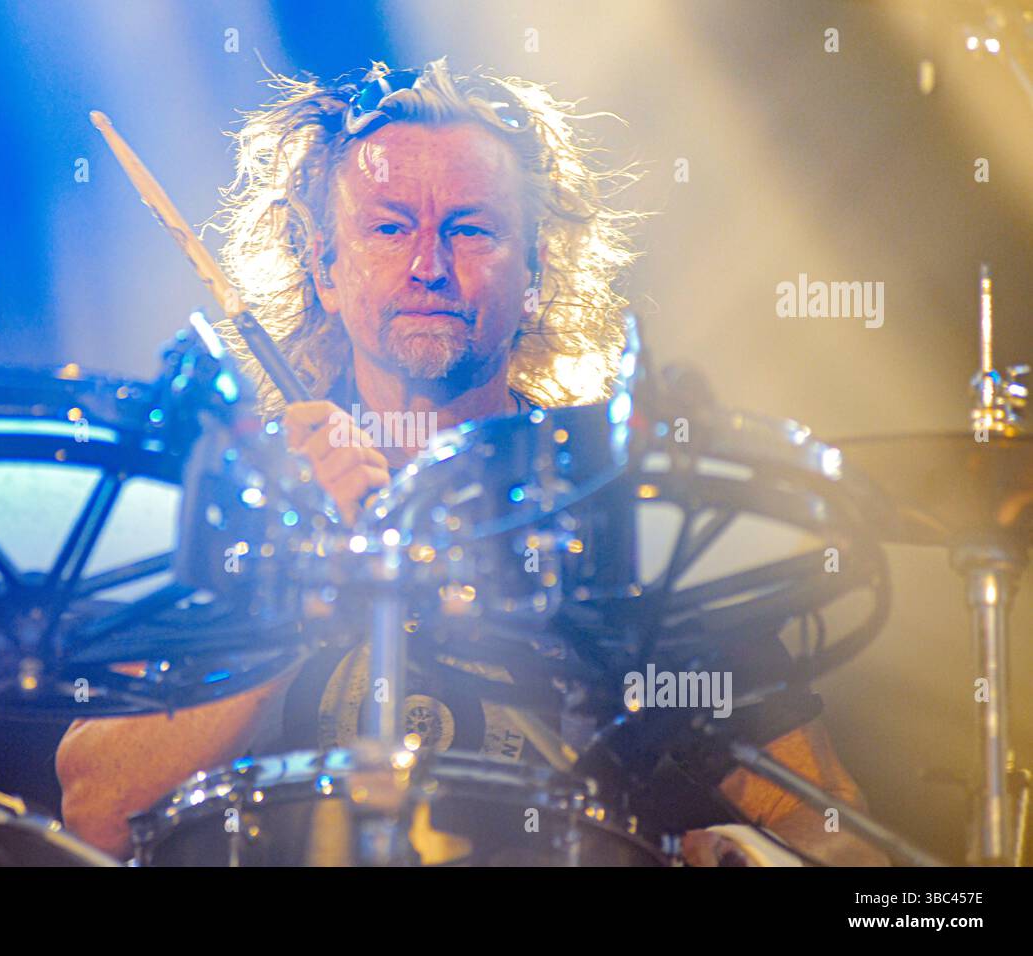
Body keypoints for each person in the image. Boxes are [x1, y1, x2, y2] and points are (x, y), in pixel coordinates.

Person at [56, 58, 887, 866]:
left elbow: (831, 830)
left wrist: (748, 854)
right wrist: (303, 577)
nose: (428, 265)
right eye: (388, 226)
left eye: (470, 228)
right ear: (325, 268)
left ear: (535, 274)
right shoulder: (231, 501)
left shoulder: (619, 513)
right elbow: (96, 808)